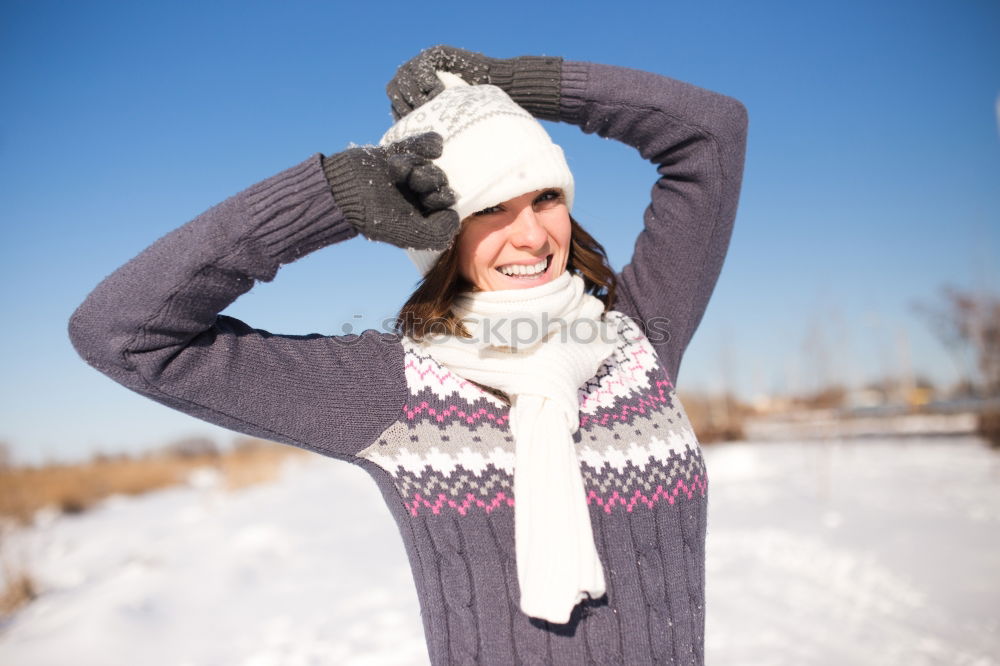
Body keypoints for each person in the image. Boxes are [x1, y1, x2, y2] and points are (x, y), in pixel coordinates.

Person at [70, 45, 747, 665]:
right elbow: (122, 332)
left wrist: (504, 87)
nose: (532, 234)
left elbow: (710, 133)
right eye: (490, 209)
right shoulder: (395, 387)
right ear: (443, 235)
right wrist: (327, 197)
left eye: (546, 197)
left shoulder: (636, 339)